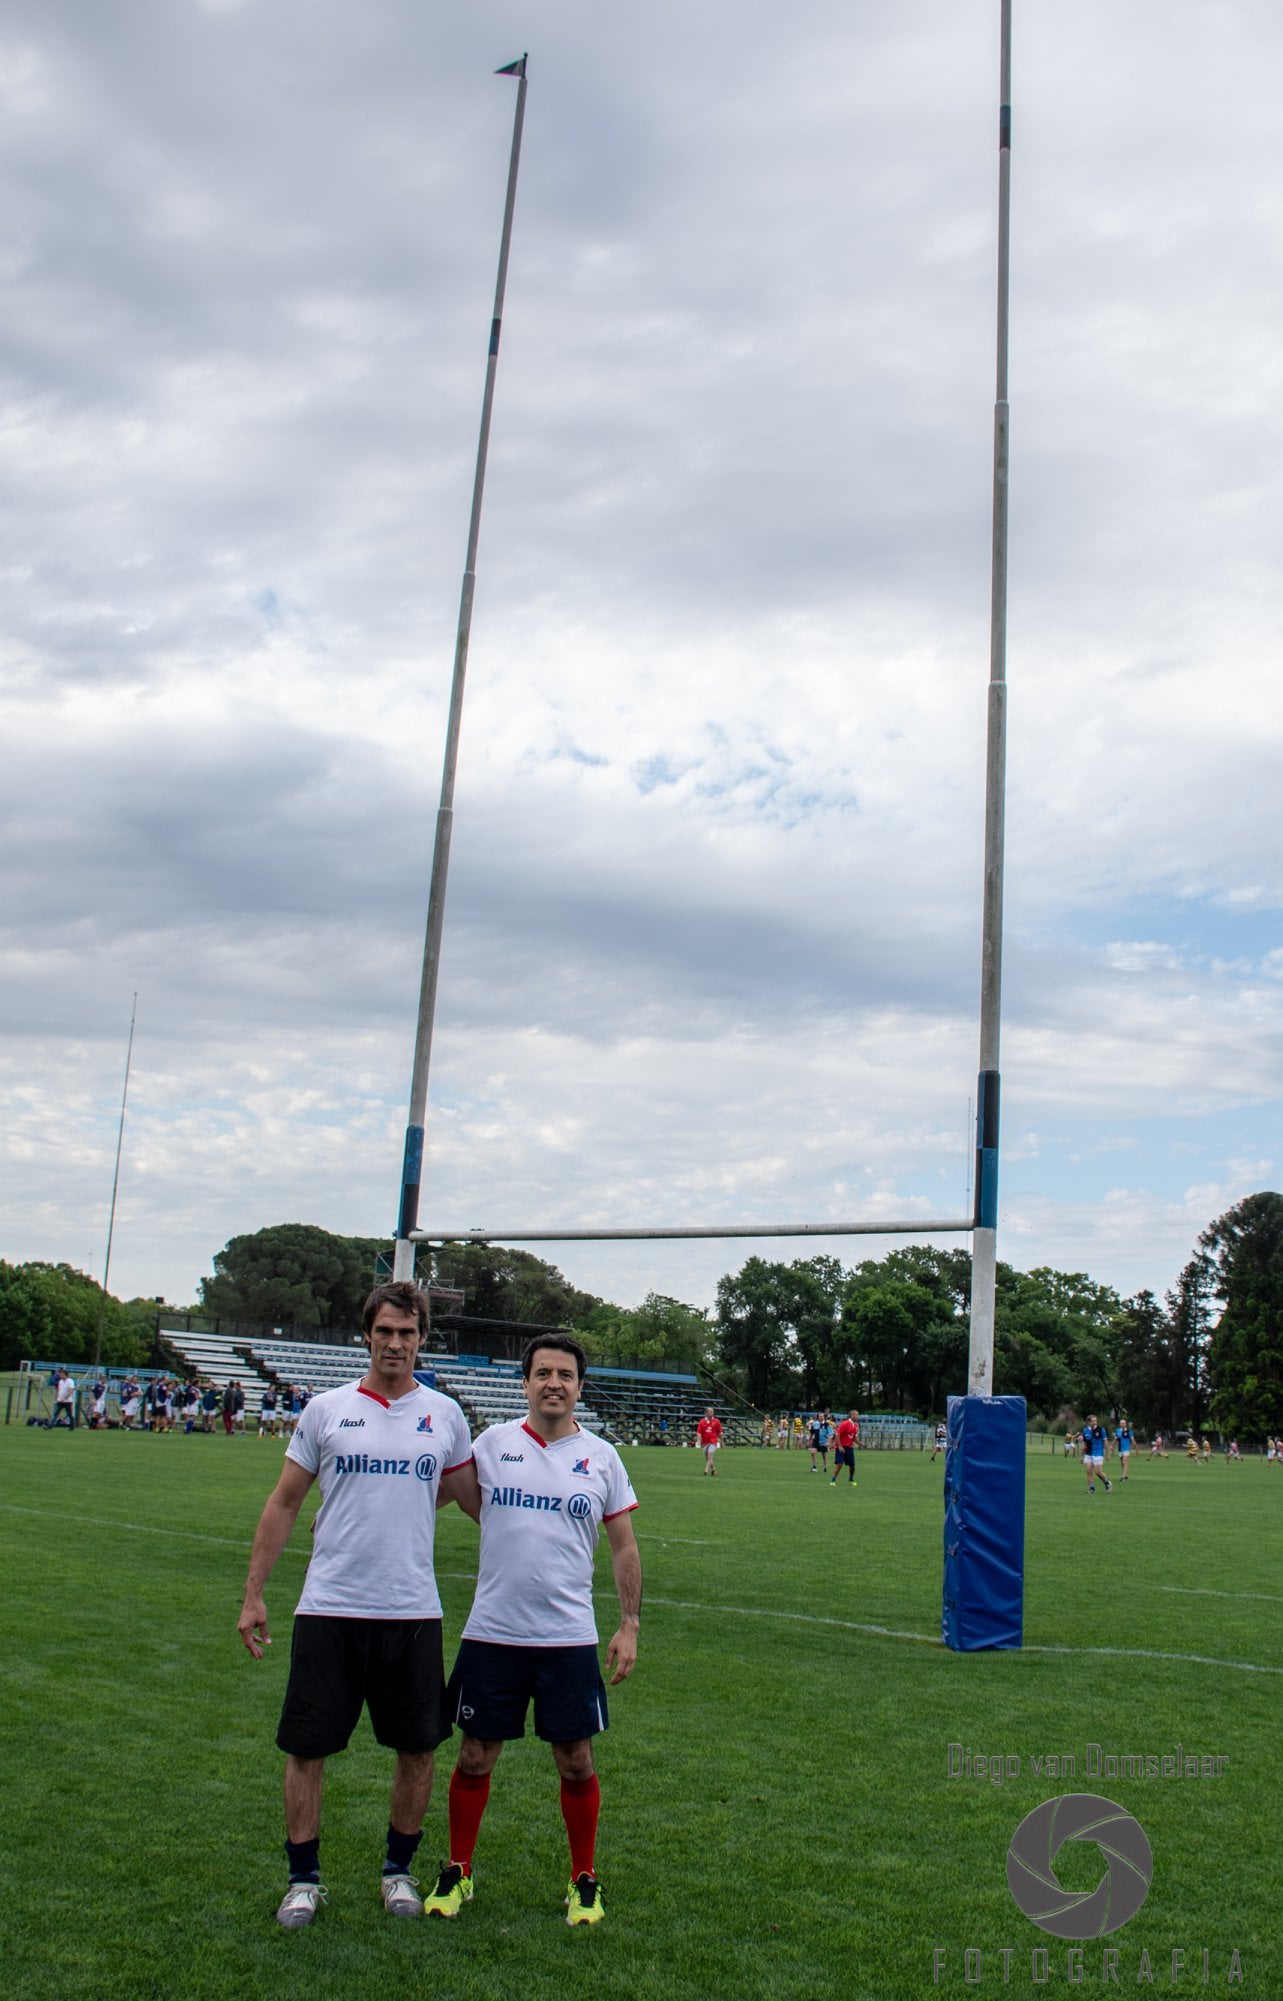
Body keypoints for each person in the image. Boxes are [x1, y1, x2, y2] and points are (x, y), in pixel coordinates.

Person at [238, 1281, 474, 1930]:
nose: (395, 1342)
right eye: (385, 1330)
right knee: (307, 1749)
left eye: (408, 1331)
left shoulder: (445, 1414)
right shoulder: (326, 1409)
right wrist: (254, 1593)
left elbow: (465, 1492)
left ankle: (397, 1869)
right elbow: (285, 1501)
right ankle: (303, 1879)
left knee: (417, 1748)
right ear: (366, 1334)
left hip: (411, 1610)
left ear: (423, 1338)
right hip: (329, 1608)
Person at [423, 1334, 640, 1930]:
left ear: (578, 1386)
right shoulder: (491, 1445)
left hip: (568, 1638)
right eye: (543, 1372)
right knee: (474, 1755)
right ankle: (458, 1868)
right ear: (525, 1383)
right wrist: (340, 1508)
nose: (554, 1383)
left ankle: (584, 1879)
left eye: (565, 1375)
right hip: (492, 1633)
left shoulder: (602, 1458)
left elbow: (623, 1545)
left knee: (575, 1760)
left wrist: (628, 1623)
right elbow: (424, 1496)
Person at [1081, 1416, 1112, 1494]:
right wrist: (1081, 1456)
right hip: (1088, 1453)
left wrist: (1107, 1454)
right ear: (1089, 1422)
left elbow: (1105, 1442)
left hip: (1098, 1452)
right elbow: (1084, 1444)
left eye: (1095, 1421)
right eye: (1093, 1421)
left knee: (1097, 1472)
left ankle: (1107, 1482)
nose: (1095, 1422)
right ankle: (1092, 1488)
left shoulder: (1101, 1430)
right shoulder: (1085, 1430)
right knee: (1088, 1471)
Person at [831, 1411, 858, 1486]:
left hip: (849, 1448)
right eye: (855, 1414)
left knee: (852, 1465)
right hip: (841, 1447)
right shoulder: (845, 1423)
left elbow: (854, 1438)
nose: (857, 1416)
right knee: (839, 1464)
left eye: (857, 1415)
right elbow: (837, 1434)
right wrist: (839, 1446)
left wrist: (860, 1443)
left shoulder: (856, 1425)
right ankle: (833, 1480)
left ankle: (851, 1479)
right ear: (851, 1415)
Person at [695, 1407, 722, 1476]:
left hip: (713, 1442)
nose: (710, 1413)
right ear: (706, 1413)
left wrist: (722, 1441)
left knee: (710, 1456)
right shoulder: (702, 1422)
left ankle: (705, 1472)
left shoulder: (716, 1421)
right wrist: (698, 1439)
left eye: (712, 1412)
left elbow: (720, 1433)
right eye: (709, 1412)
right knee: (708, 1458)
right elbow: (699, 1432)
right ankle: (713, 1470)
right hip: (705, 1442)